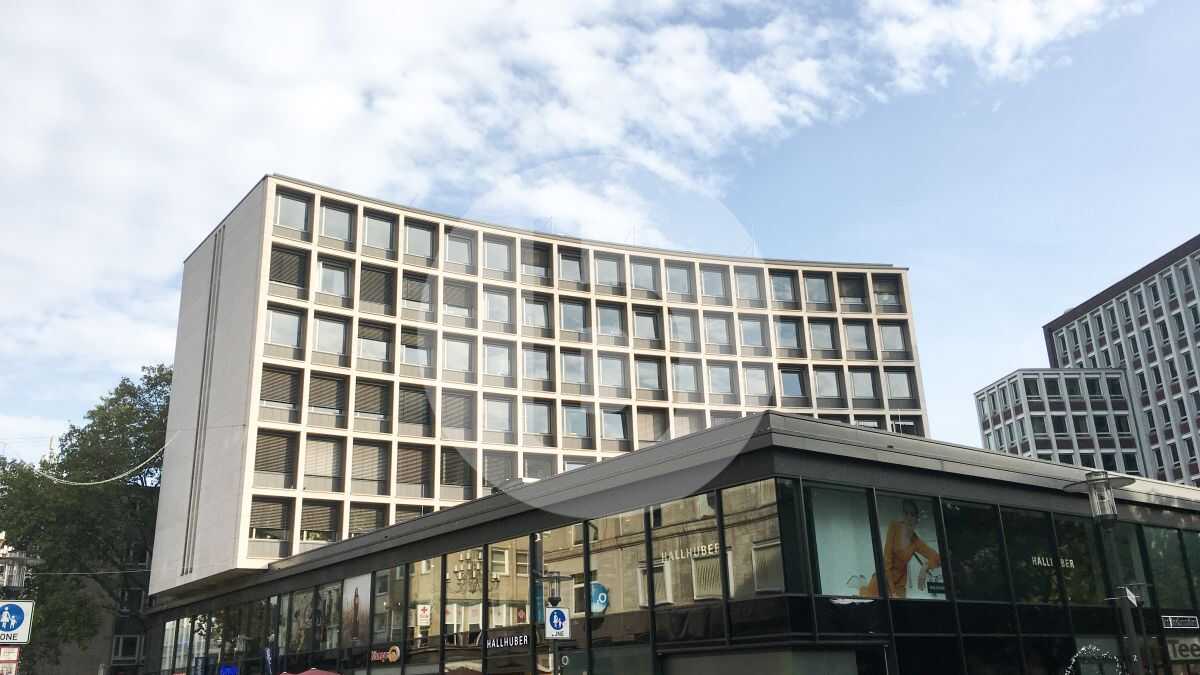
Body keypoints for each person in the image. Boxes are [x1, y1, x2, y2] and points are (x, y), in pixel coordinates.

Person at [859, 499, 941, 598]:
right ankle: (862, 585)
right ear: (902, 516)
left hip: (900, 584)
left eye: (912, 514)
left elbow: (938, 558)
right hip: (884, 579)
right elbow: (887, 562)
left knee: (900, 606)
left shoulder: (916, 541)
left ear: (917, 519)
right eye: (906, 513)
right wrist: (892, 592)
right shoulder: (894, 527)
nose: (909, 517)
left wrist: (925, 567)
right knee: (872, 599)